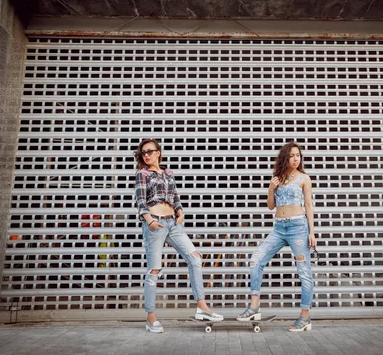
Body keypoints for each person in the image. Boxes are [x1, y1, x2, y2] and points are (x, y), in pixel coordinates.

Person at [134, 138, 223, 333]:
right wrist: (150, 221)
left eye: (150, 151)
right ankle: (151, 318)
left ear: (158, 152)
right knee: (154, 271)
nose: (146, 155)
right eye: (143, 153)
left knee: (195, 258)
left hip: (173, 223)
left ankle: (202, 306)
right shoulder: (142, 174)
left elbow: (175, 196)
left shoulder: (168, 173)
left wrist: (180, 211)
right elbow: (140, 200)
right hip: (155, 224)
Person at [237, 142, 316, 332]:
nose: (296, 158)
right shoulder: (278, 179)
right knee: (256, 260)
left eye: (298, 155)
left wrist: (312, 232)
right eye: (292, 155)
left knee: (304, 272)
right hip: (279, 228)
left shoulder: (304, 178)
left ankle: (305, 318)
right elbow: (270, 206)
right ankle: (254, 307)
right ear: (284, 158)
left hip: (298, 227)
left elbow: (309, 205)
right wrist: (271, 188)